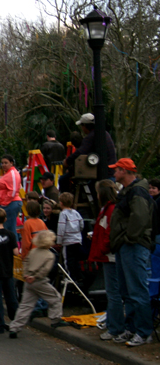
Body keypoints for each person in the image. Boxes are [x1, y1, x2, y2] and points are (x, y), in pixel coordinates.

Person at [109, 158, 154, 347]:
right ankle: (133, 328)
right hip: (126, 245)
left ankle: (143, 332)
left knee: (136, 289)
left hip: (133, 245)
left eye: (116, 170)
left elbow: (140, 217)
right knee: (127, 290)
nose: (114, 173)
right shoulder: (129, 191)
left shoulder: (137, 191)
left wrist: (129, 238)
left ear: (124, 171)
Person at [9, 231, 68, 338]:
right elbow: (45, 270)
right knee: (55, 298)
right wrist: (35, 276)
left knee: (25, 306)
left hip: (28, 281)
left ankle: (14, 327)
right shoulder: (49, 255)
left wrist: (26, 275)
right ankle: (55, 319)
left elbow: (25, 262)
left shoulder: (33, 251)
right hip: (39, 281)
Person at [89, 180, 123, 342]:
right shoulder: (109, 208)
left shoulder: (109, 209)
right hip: (108, 254)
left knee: (114, 293)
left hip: (109, 255)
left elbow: (109, 232)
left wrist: (102, 248)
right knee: (114, 292)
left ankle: (115, 327)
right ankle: (113, 323)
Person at [63, 113, 117, 178]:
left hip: (103, 173)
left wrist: (67, 161)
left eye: (82, 126)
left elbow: (80, 152)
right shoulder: (104, 133)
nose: (82, 128)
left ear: (85, 125)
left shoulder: (91, 137)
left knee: (63, 179)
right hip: (111, 170)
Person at [55, 192, 84, 284]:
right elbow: (81, 224)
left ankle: (70, 277)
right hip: (77, 240)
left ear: (61, 203)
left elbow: (61, 228)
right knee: (76, 259)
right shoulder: (76, 213)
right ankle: (79, 276)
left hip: (67, 241)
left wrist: (59, 241)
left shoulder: (63, 214)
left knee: (68, 260)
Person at [0, 155, 22, 237]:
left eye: (6, 163)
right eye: (2, 163)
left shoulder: (12, 173)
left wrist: (5, 203)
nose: (3, 165)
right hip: (6, 205)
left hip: (10, 205)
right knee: (7, 230)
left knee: (9, 230)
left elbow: (14, 190)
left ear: (11, 163)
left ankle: (13, 248)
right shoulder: (7, 174)